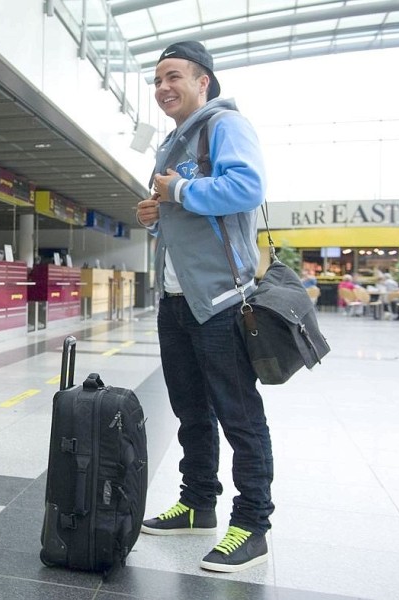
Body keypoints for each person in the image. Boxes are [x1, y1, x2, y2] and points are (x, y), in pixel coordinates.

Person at [135, 41, 273, 573]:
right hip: (176, 300)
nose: (163, 88)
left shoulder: (226, 126)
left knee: (239, 416)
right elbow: (182, 205)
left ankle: (253, 524)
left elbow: (246, 187)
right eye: (156, 81)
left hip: (219, 299)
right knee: (191, 410)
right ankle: (198, 503)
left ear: (203, 82)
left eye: (173, 77)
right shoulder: (173, 141)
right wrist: (156, 211)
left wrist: (180, 191)